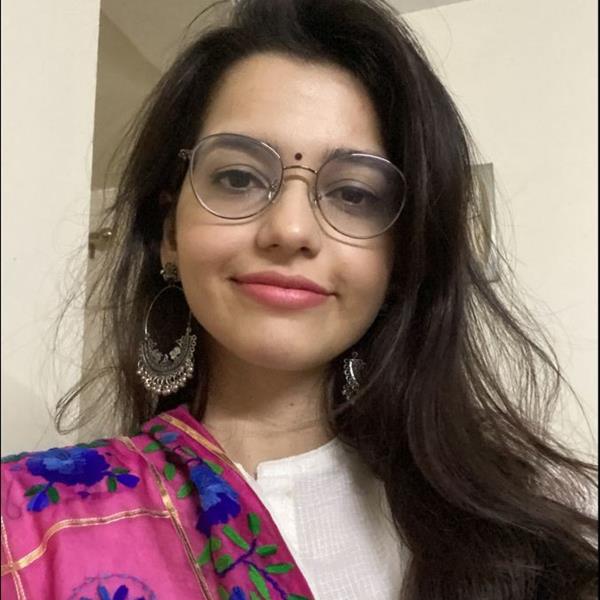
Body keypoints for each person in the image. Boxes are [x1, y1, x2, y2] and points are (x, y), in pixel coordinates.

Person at [1, 0, 597, 598]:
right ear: (169, 234)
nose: (289, 230)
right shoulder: (27, 527)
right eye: (238, 178)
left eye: (354, 194)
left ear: (402, 257)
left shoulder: (525, 555)